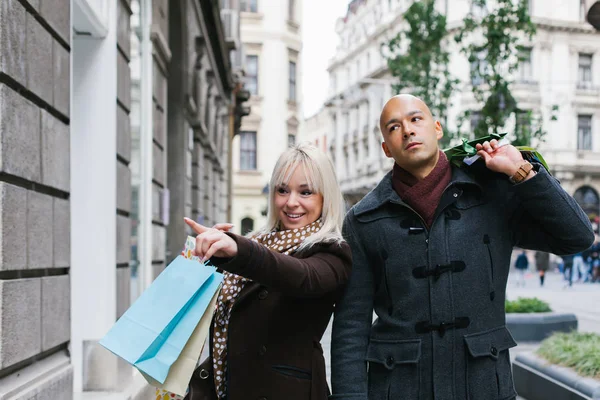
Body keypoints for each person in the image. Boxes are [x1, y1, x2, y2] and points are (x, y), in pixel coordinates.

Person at [330, 94, 594, 400]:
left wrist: (521, 171)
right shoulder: (364, 220)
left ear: (437, 128)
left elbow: (577, 236)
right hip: (399, 388)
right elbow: (351, 327)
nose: (408, 130)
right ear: (386, 148)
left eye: (416, 119)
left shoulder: (493, 193)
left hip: (483, 385)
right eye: (394, 127)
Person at [182, 143, 351, 400]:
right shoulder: (260, 241)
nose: (291, 202)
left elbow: (300, 276)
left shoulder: (332, 250)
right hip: (232, 388)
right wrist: (212, 255)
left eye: (305, 192)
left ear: (324, 197)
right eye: (282, 190)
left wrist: (238, 250)